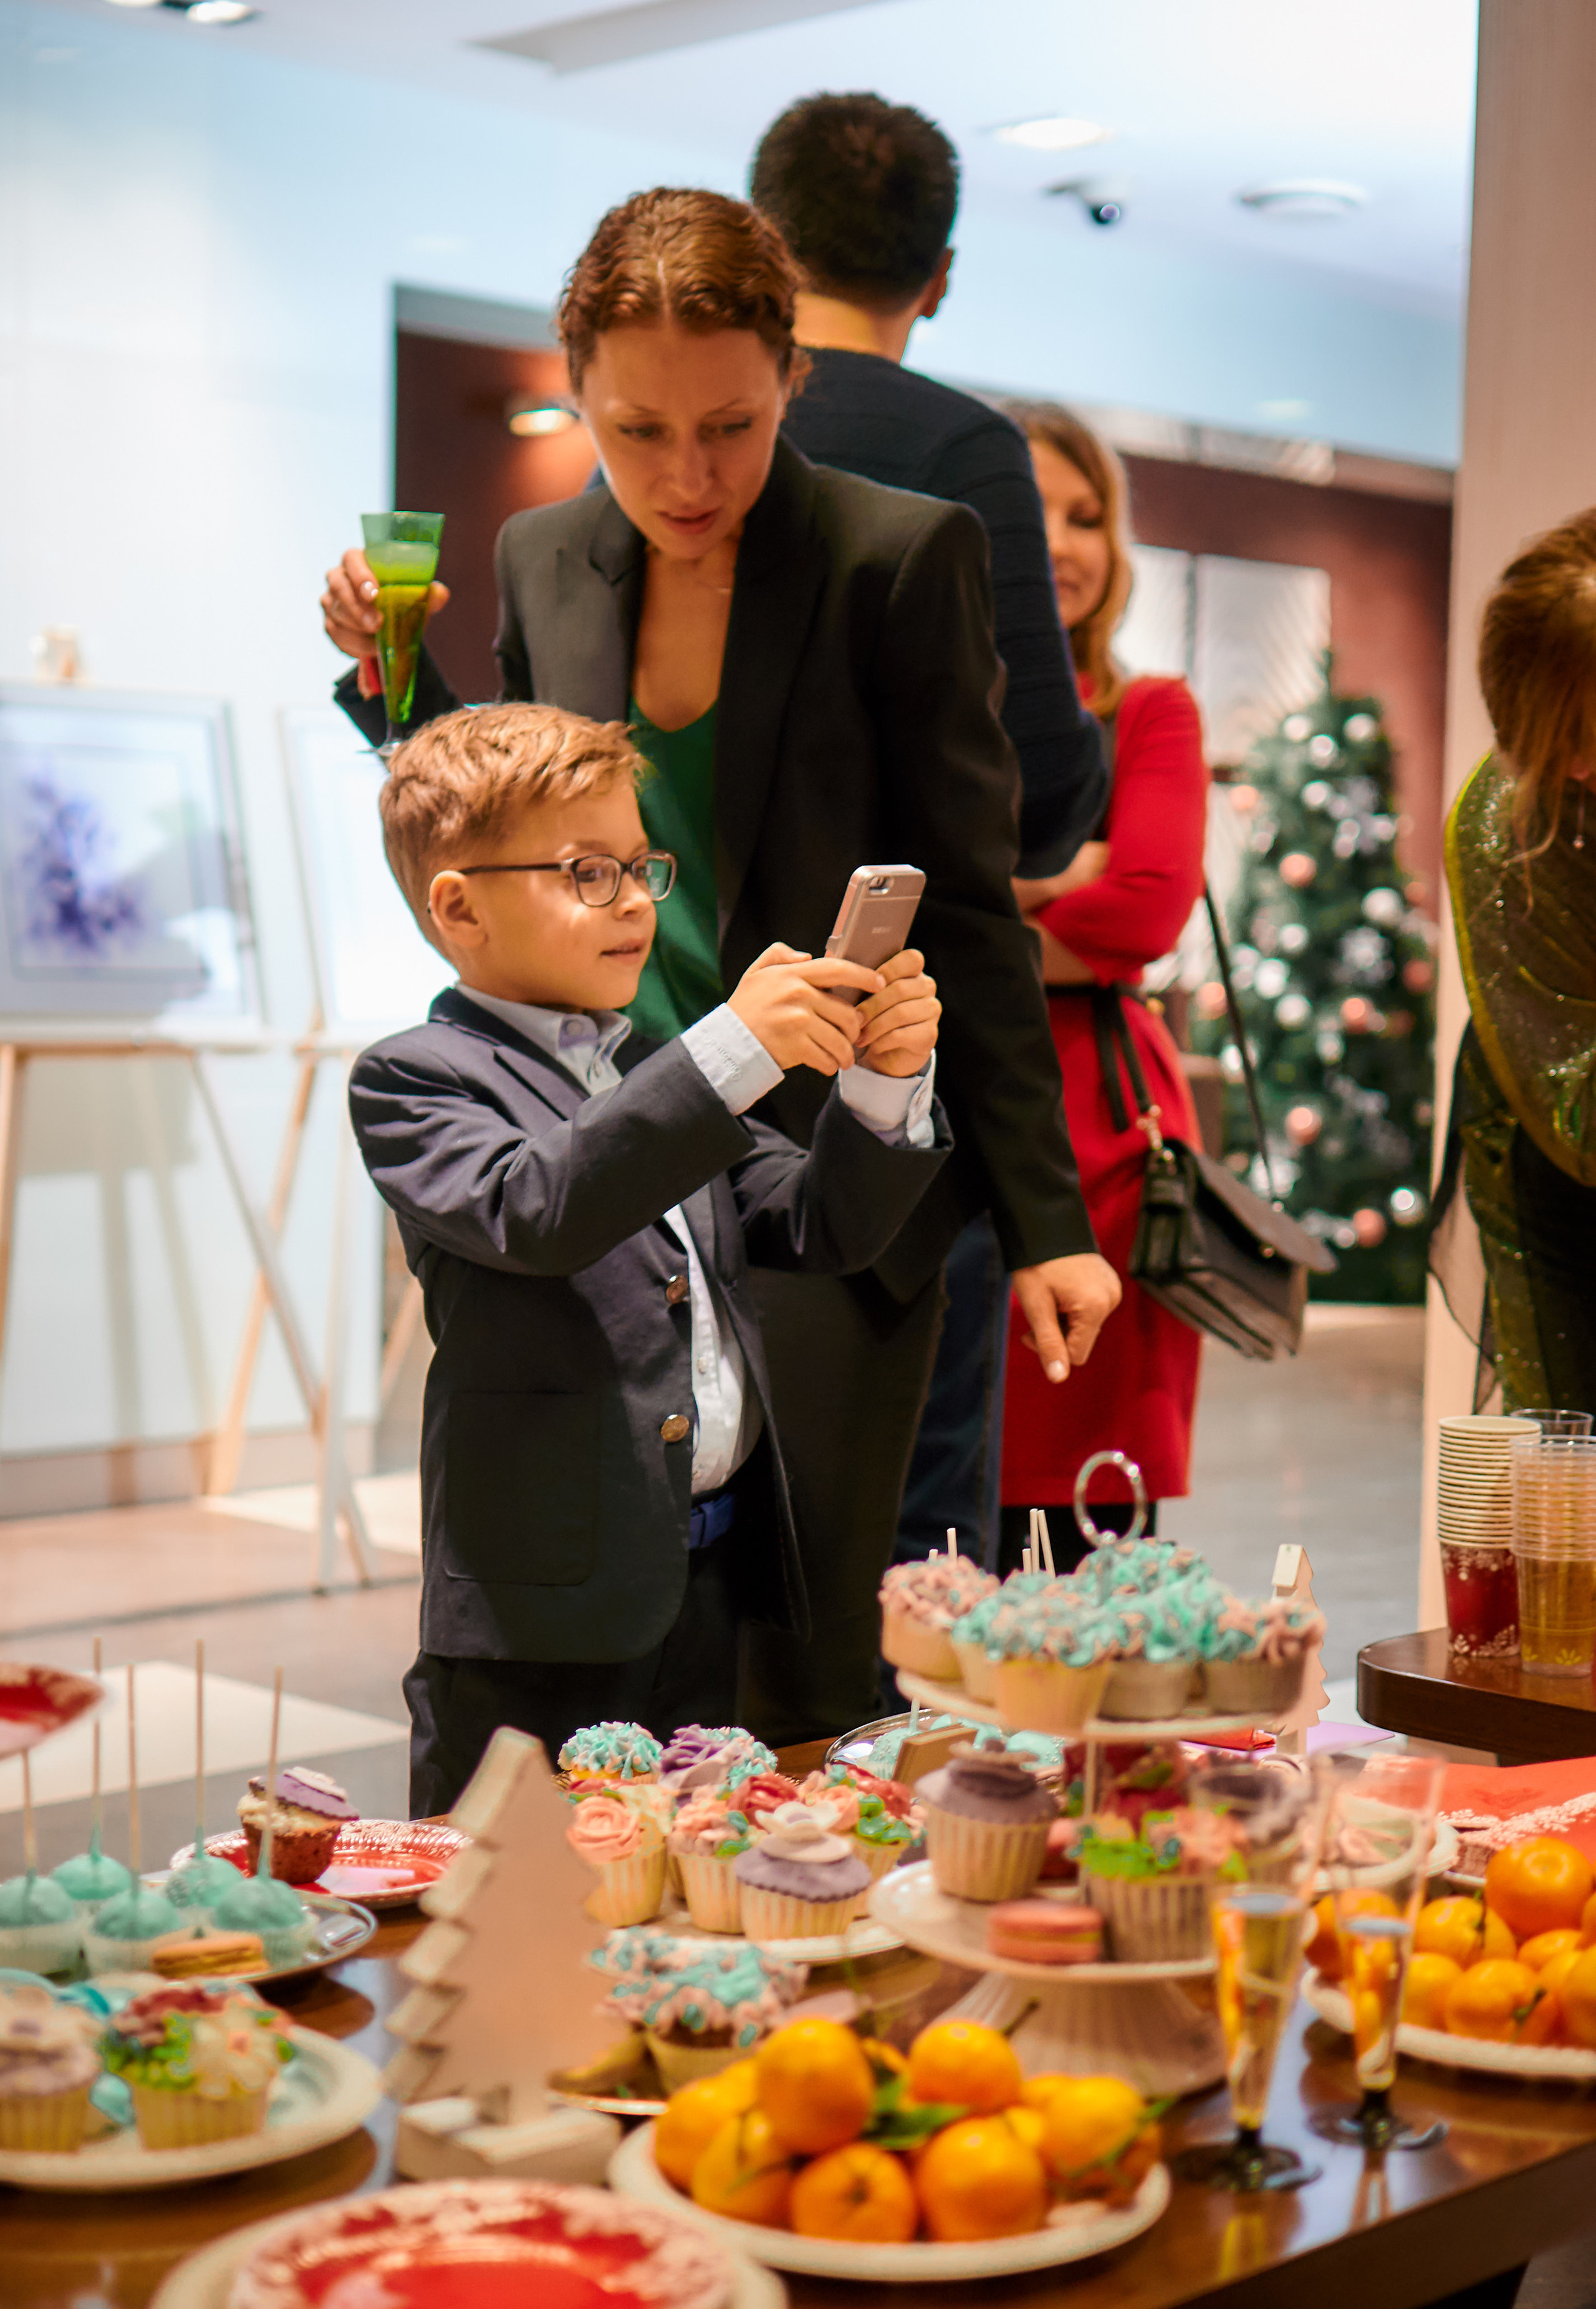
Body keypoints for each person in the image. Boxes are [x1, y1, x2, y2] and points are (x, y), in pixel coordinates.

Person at [321, 189, 1120, 1745]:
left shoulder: (898, 554)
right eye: (635, 430)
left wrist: (1046, 1223)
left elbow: (967, 902)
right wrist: (390, 684)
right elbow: (511, 806)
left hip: (825, 1162)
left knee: (820, 1649)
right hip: (620, 1145)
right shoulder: (544, 552)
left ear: (789, 381)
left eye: (731, 426)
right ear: (577, 390)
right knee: (624, 1603)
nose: (686, 476)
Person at [349, 701, 949, 1811]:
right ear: (457, 905)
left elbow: (819, 1222)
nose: (633, 903)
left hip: (703, 1588)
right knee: (514, 1923)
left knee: (684, 1887)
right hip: (542, 1622)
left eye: (639, 866)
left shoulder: (654, 1072)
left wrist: (881, 1081)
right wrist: (733, 1044)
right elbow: (541, 1206)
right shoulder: (417, 1078)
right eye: (586, 872)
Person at [751, 92, 1107, 1576]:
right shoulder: (962, 448)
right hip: (895, 1068)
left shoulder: (657, 453)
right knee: (902, 1544)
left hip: (691, 1053)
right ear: (939, 273)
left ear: (760, 244)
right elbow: (1021, 797)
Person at [998, 406, 1207, 1574]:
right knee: (945, 1510)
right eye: (1034, 512)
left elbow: (1143, 913)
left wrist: (982, 910)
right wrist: (1059, 876)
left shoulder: (1149, 710)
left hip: (1107, 1140)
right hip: (949, 1116)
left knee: (1093, 1533)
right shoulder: (933, 705)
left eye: (1088, 516)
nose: (1066, 543)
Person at [1432, 508, 1596, 1414]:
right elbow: (1579, 1108)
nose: (1574, 766)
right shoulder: (1509, 833)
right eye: (1550, 739)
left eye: (1590, 729)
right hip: (1556, 1141)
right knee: (1572, 1489)